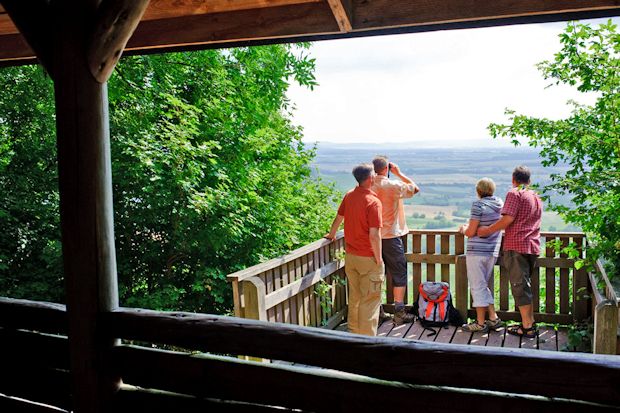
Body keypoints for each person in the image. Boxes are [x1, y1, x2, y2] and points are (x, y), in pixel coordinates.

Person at [477, 166, 543, 338]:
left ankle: (527, 328)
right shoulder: (535, 195)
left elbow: (508, 219)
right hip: (532, 244)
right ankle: (529, 323)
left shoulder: (515, 193)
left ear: (514, 179)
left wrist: (487, 230)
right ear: (529, 180)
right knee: (525, 286)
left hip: (517, 245)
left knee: (520, 287)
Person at [325, 163, 384, 336]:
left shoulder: (349, 196)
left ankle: (353, 333)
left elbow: (339, 218)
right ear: (371, 178)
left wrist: (331, 234)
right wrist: (378, 259)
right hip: (368, 257)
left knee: (355, 296)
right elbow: (374, 235)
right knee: (370, 300)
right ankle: (367, 340)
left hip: (351, 256)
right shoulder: (373, 202)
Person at [371, 156, 419, 325]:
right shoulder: (393, 185)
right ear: (387, 169)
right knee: (399, 272)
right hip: (390, 236)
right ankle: (399, 312)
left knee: (375, 275)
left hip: (371, 238)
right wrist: (399, 173)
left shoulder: (367, 185)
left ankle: (377, 312)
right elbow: (415, 189)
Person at [458, 178, 503, 333]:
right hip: (492, 251)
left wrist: (464, 228)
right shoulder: (499, 203)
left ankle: (480, 323)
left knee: (477, 286)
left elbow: (470, 232)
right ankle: (493, 318)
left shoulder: (478, 205)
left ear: (478, 191)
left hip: (477, 251)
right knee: (482, 285)